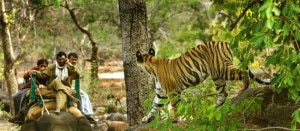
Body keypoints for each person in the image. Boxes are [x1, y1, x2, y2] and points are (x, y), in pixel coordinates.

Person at [30, 51, 82, 115]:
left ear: (66, 59)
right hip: (52, 86)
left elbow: (77, 74)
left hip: (65, 87)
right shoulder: (52, 67)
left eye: (63, 59)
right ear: (57, 60)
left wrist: (69, 64)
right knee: (56, 81)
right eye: (59, 59)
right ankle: (70, 96)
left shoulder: (69, 67)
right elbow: (42, 75)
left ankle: (58, 108)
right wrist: (34, 72)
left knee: (61, 91)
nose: (61, 61)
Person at [9, 58, 48, 124]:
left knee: (25, 95)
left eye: (45, 66)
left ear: (47, 66)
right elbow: (24, 76)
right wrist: (30, 71)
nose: (43, 68)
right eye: (41, 66)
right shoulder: (34, 69)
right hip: (27, 87)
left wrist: (43, 85)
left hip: (34, 88)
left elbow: (48, 83)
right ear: (38, 66)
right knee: (15, 96)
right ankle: (17, 115)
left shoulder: (47, 72)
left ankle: (21, 113)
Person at [68, 52, 96, 124]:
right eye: (72, 59)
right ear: (68, 59)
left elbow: (74, 76)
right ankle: (85, 113)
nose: (74, 61)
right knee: (83, 95)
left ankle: (86, 112)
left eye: (75, 60)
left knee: (83, 95)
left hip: (69, 86)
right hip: (65, 87)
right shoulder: (67, 67)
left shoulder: (72, 67)